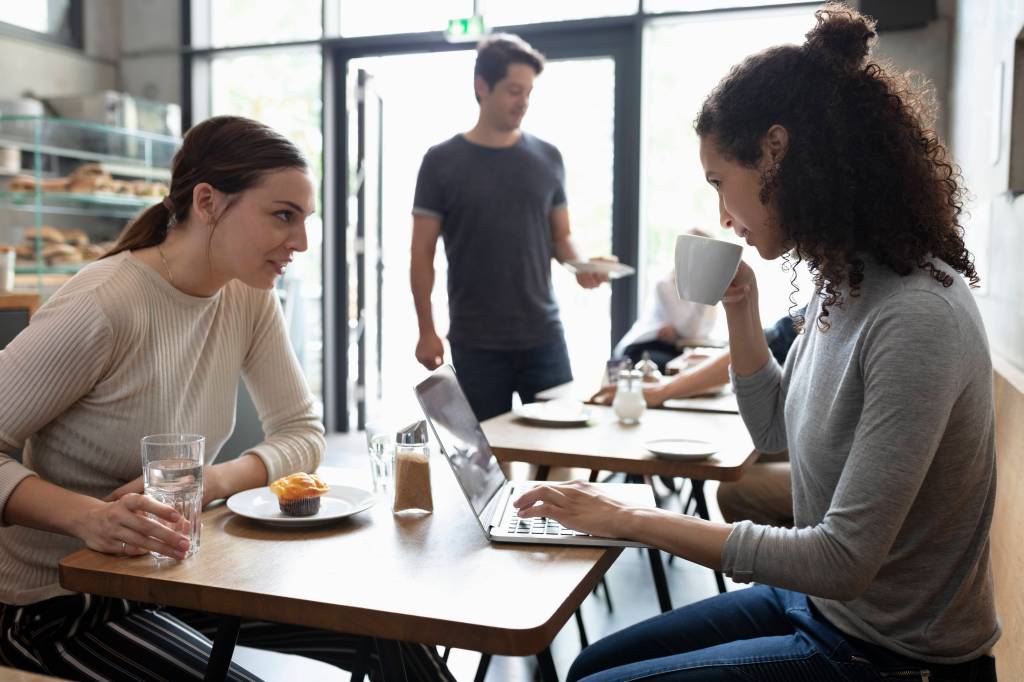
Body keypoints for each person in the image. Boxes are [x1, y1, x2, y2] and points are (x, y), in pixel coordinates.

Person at [512, 5, 999, 680]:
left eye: (720, 182)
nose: (721, 215)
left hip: (889, 655)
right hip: (825, 611)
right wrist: (743, 312)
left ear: (775, 152)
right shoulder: (842, 284)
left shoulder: (915, 313)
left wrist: (631, 515)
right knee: (593, 661)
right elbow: (772, 430)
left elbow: (841, 560)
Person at [0, 116, 452, 682]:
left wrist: (211, 481)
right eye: (283, 216)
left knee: (399, 645)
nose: (302, 242)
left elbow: (302, 432)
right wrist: (90, 518)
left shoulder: (248, 296)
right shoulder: (103, 305)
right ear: (208, 202)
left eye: (304, 220)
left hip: (179, 574)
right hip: (59, 605)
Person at [411, 34, 607, 422]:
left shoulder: (548, 157)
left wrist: (582, 267)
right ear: (481, 86)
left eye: (529, 92)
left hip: (544, 336)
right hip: (475, 342)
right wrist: (426, 330)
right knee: (488, 465)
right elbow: (421, 254)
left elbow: (561, 236)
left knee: (562, 448)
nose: (524, 102)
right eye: (514, 91)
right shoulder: (440, 162)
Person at [612, 230, 719, 372]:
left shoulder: (700, 289)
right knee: (689, 370)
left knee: (707, 367)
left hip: (675, 349)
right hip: (644, 347)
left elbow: (699, 333)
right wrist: (709, 293)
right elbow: (692, 332)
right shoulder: (665, 285)